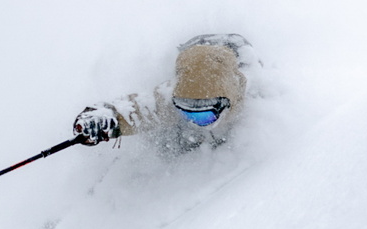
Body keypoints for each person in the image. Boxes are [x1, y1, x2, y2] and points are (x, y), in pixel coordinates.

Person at [73, 34, 257, 154]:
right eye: (185, 112)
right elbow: (145, 107)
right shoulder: (181, 91)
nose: (193, 121)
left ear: (225, 104)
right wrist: (110, 119)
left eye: (203, 116)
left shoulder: (253, 93)